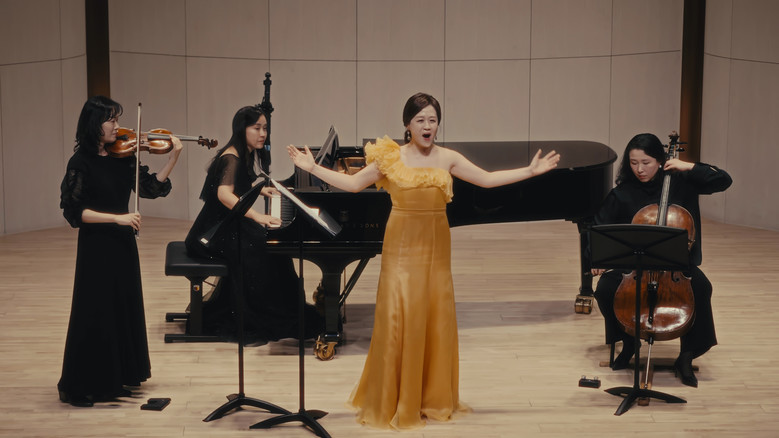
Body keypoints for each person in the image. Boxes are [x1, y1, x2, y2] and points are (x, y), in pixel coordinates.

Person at [287, 92, 560, 430]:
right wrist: (313, 168)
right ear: (408, 125)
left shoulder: (448, 158)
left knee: (433, 317)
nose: (427, 126)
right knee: (399, 317)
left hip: (436, 249)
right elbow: (354, 184)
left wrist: (531, 171)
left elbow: (487, 180)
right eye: (421, 120)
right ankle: (395, 399)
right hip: (401, 247)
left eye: (432, 120)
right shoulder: (391, 157)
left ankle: (429, 398)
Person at [58, 95, 184, 407]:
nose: (117, 126)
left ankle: (117, 379)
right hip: (96, 246)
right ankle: (86, 383)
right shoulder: (80, 163)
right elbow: (75, 212)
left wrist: (173, 158)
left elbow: (150, 188)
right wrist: (117, 218)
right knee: (95, 311)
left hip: (123, 244)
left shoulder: (123, 157)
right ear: (94, 124)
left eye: (117, 119)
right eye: (111, 120)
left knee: (121, 307)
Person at [591, 133, 732, 387]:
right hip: (634, 267)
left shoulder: (682, 183)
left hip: (677, 266)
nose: (639, 169)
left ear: (660, 160)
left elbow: (723, 180)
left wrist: (688, 166)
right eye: (633, 163)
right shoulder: (622, 193)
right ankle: (629, 342)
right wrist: (598, 259)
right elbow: (600, 228)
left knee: (701, 288)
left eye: (646, 162)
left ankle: (686, 356)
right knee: (604, 290)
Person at [185, 105, 323, 343]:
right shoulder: (231, 157)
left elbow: (237, 185)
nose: (262, 134)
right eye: (256, 128)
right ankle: (268, 312)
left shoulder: (243, 152)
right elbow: (224, 195)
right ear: (242, 129)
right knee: (266, 251)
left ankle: (279, 307)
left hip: (227, 223)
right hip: (213, 232)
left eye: (265, 128)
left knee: (274, 247)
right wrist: (258, 216)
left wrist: (259, 190)